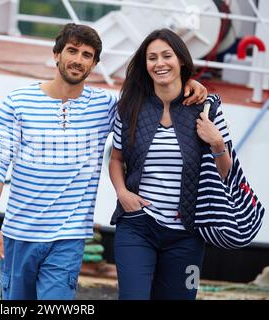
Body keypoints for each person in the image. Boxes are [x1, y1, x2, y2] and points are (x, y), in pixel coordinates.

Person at [0, 23, 207, 300]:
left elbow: (150, 100)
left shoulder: (107, 106)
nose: (78, 60)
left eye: (87, 55)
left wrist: (187, 82)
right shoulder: (17, 102)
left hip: (69, 237)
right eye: (72, 51)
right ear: (56, 55)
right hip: (19, 234)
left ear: (94, 64)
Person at [109, 28, 232, 300]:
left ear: (182, 61)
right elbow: (116, 158)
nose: (159, 63)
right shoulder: (130, 106)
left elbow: (226, 171)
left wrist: (217, 142)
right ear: (145, 64)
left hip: (188, 234)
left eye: (167, 55)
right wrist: (122, 193)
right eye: (152, 57)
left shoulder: (207, 106)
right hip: (137, 225)